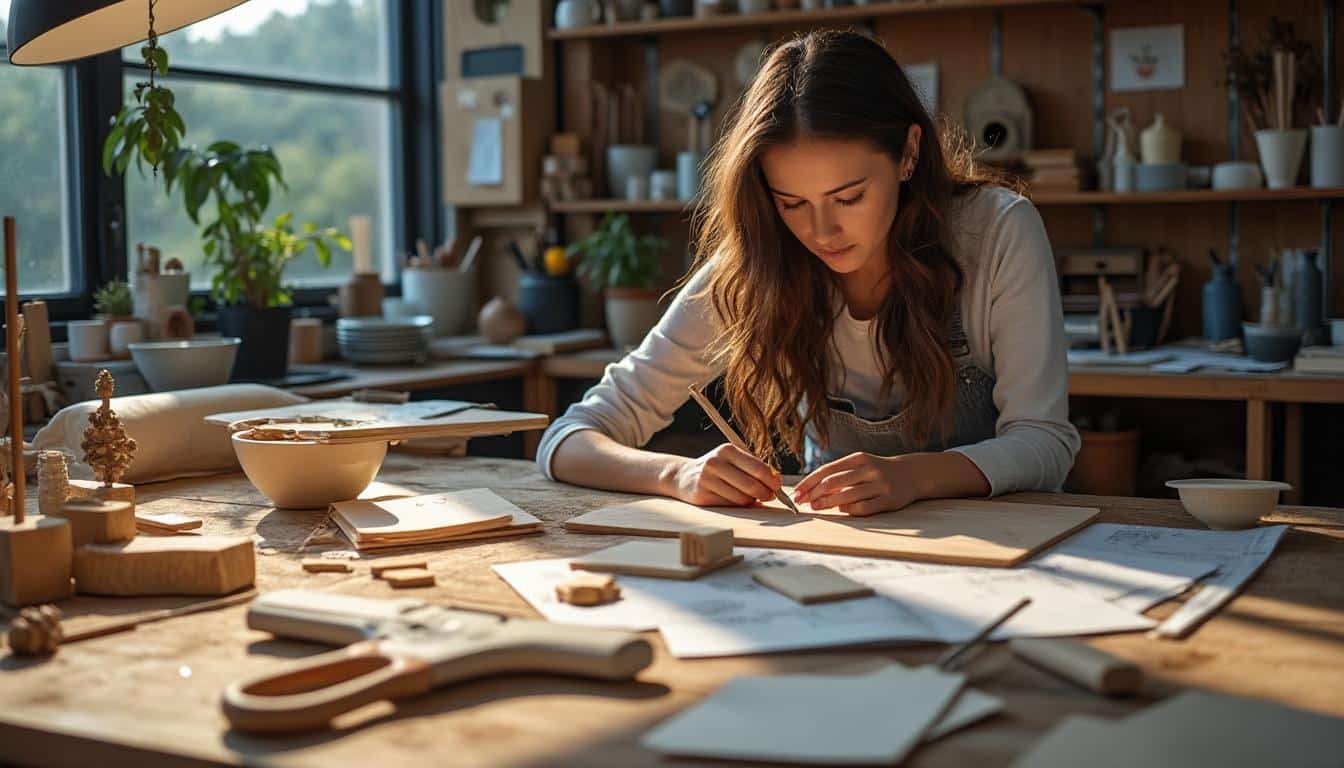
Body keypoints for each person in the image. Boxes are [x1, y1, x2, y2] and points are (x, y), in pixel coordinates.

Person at [537, 29, 1078, 516]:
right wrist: (678, 473)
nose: (822, 231)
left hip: (1011, 546)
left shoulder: (997, 231)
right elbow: (567, 439)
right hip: (844, 556)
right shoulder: (758, 262)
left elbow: (1045, 443)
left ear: (908, 153)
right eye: (792, 203)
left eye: (849, 197)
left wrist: (912, 476)